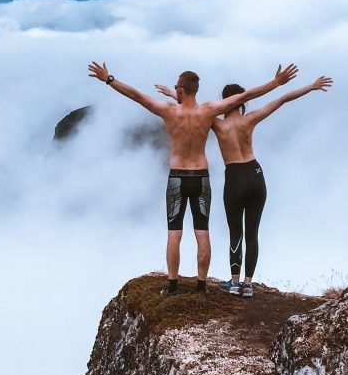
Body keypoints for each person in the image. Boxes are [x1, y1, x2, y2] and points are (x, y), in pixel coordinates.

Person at [87, 61, 298, 296]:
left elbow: (136, 95)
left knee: (174, 233)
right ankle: (201, 286)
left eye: (176, 87)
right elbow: (246, 95)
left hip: (177, 176)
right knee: (202, 232)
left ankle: (173, 285)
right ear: (195, 90)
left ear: (180, 89)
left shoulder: (168, 111)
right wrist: (275, 83)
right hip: (201, 176)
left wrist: (109, 79)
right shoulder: (208, 111)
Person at [160, 75, 333, 298]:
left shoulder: (217, 123)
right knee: (253, 233)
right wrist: (311, 86)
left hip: (235, 177)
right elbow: (282, 100)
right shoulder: (250, 120)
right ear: (240, 102)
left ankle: (233, 283)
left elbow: (192, 115)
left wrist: (175, 96)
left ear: (225, 102)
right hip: (255, 174)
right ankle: (248, 285)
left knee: (236, 232)